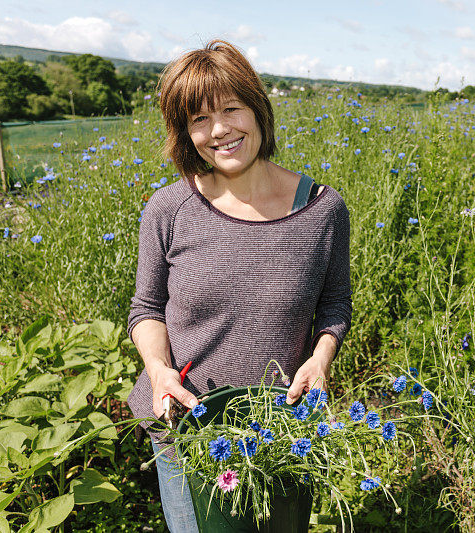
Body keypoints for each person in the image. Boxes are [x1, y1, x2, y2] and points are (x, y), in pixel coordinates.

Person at [126, 39, 352, 532]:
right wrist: (159, 371)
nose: (220, 130)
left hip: (282, 430)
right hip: (188, 430)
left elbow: (335, 303)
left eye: (231, 109)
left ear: (258, 110)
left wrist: (320, 358)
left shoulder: (322, 211)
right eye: (199, 119)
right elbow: (146, 309)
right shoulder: (169, 209)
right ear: (185, 133)